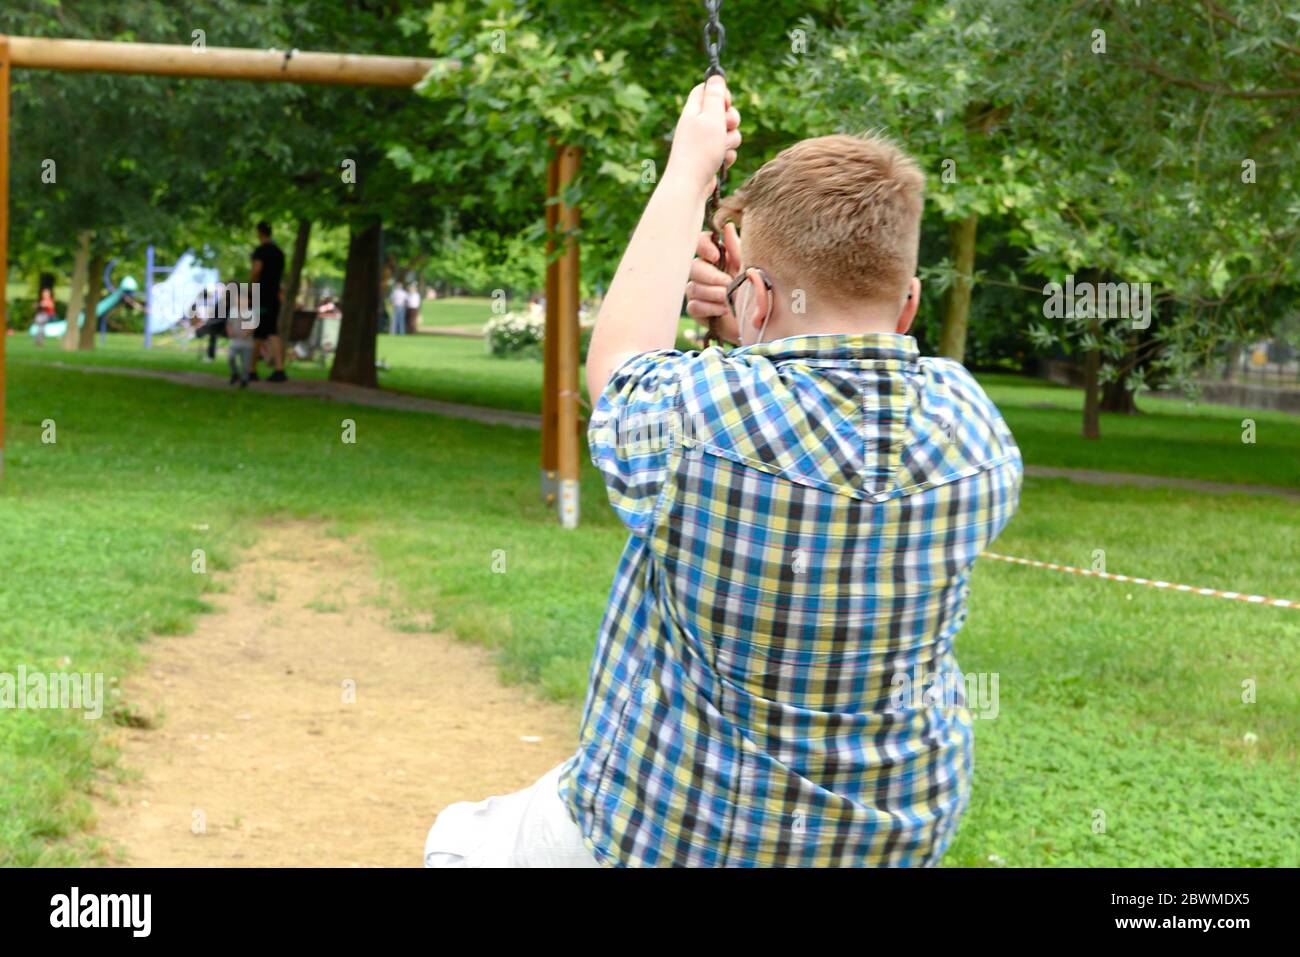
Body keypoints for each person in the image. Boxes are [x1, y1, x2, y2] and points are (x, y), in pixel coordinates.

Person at [424, 75, 1022, 868]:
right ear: (909, 304)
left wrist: (688, 170)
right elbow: (832, 422)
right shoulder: (976, 431)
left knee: (458, 842)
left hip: (673, 832)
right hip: (886, 842)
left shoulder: (701, 417)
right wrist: (757, 330)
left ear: (762, 297)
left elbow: (616, 369)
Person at [249, 221, 287, 382]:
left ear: (259, 233)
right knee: (269, 332)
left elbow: (256, 270)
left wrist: (251, 287)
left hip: (262, 295)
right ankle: (277, 369)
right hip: (274, 295)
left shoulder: (261, 251)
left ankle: (252, 370)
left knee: (260, 332)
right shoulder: (279, 253)